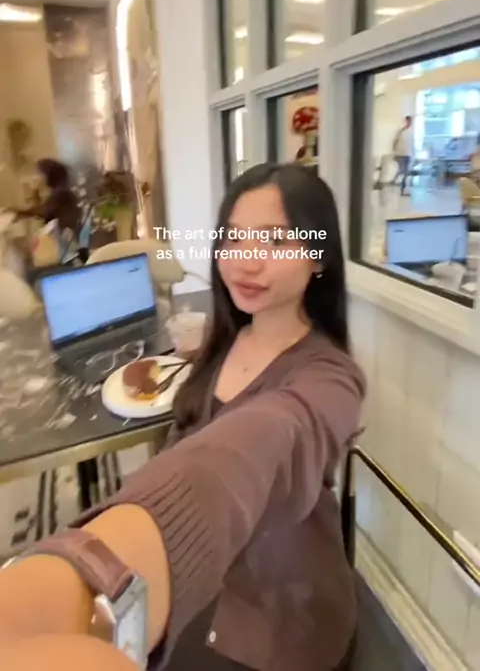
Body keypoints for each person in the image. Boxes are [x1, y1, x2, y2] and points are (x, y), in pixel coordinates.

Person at [0, 163, 365, 671]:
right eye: (233, 239)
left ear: (318, 257)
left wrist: (80, 579)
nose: (245, 261)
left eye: (275, 240)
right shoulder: (229, 334)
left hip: (286, 623)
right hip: (212, 596)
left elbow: (264, 442)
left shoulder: (331, 379)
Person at [9, 157, 81, 234]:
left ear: (49, 175)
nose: (38, 177)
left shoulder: (60, 193)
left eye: (40, 174)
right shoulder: (59, 191)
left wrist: (35, 191)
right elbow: (41, 210)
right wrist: (18, 212)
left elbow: (43, 213)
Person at [392, 115, 414, 195]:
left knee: (405, 172)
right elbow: (395, 142)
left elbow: (411, 144)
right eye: (408, 121)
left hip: (407, 154)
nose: (409, 123)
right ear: (405, 121)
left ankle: (401, 189)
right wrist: (394, 152)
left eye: (410, 121)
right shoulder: (400, 132)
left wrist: (412, 154)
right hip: (400, 154)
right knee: (403, 171)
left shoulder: (411, 132)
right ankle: (395, 183)